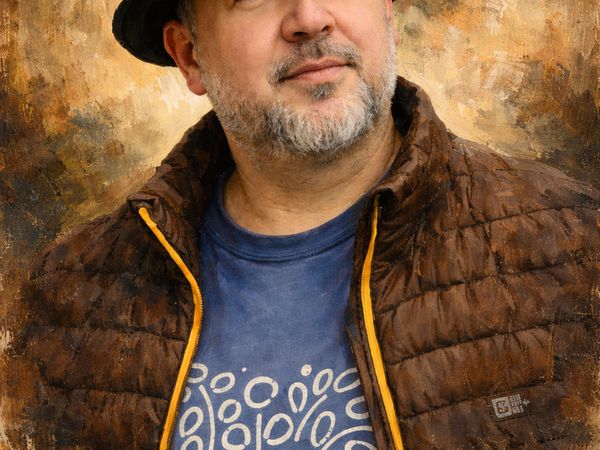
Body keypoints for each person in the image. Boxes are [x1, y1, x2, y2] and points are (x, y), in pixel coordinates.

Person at [9, 0, 600, 448]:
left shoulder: (575, 248)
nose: (310, 18)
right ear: (190, 55)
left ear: (388, 14)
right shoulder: (67, 297)